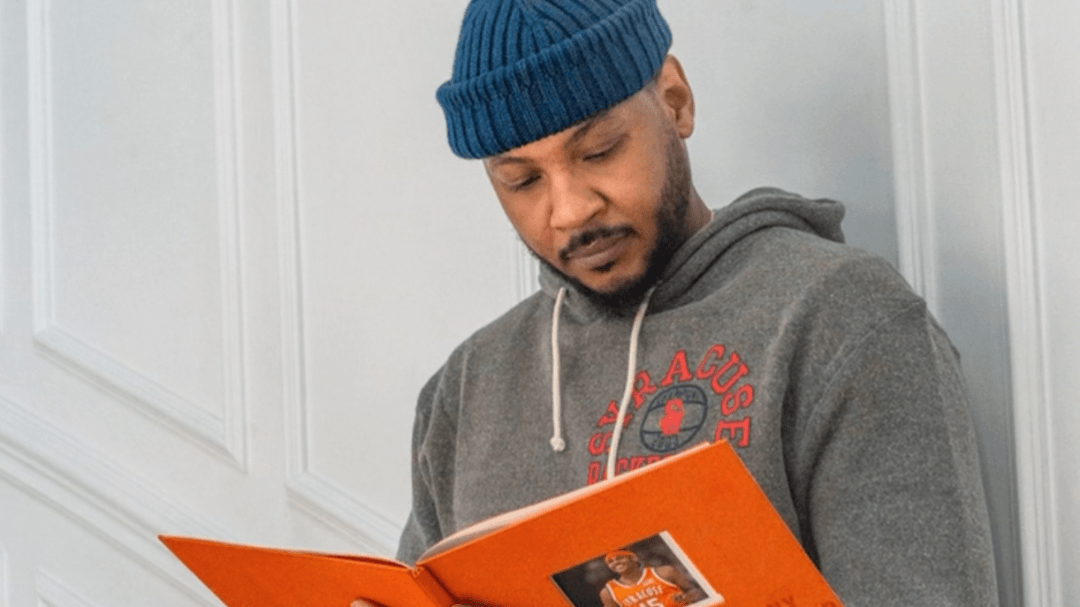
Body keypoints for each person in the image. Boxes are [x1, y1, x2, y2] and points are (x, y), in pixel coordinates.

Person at [392, 0, 999, 605]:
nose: (571, 211)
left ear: (675, 101)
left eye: (599, 150)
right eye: (523, 181)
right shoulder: (467, 387)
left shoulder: (843, 319)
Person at [600, 549, 704, 607]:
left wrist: (687, 597)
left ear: (633, 558)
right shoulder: (608, 592)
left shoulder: (665, 572)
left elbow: (696, 592)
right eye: (610, 562)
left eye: (619, 558)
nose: (615, 562)